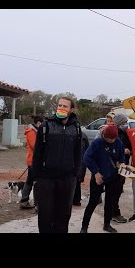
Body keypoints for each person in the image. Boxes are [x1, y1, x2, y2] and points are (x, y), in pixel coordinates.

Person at [32, 96, 82, 233]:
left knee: (63, 215)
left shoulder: (76, 128)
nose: (61, 108)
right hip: (46, 178)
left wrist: (75, 174)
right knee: (45, 215)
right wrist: (36, 177)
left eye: (65, 106)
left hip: (67, 179)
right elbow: (37, 153)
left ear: (71, 109)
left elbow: (78, 153)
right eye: (59, 105)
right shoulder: (46, 126)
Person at [80, 124, 125, 233]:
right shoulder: (97, 142)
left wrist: (122, 164)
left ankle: (107, 224)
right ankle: (84, 227)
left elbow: (121, 157)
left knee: (109, 202)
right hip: (98, 176)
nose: (110, 140)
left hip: (113, 177)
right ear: (104, 135)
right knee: (93, 202)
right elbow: (86, 158)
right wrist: (96, 172)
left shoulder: (118, 142)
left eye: (112, 139)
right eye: (108, 138)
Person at [19, 115, 44, 209]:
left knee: (30, 181)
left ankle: (25, 200)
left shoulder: (34, 131)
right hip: (33, 160)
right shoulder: (31, 132)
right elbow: (35, 146)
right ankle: (35, 203)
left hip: (33, 160)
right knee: (34, 182)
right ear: (39, 123)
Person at [72, 131, 89, 207]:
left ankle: (74, 200)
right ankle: (76, 200)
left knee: (74, 182)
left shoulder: (73, 135)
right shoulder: (84, 135)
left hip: (76, 163)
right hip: (81, 163)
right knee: (77, 182)